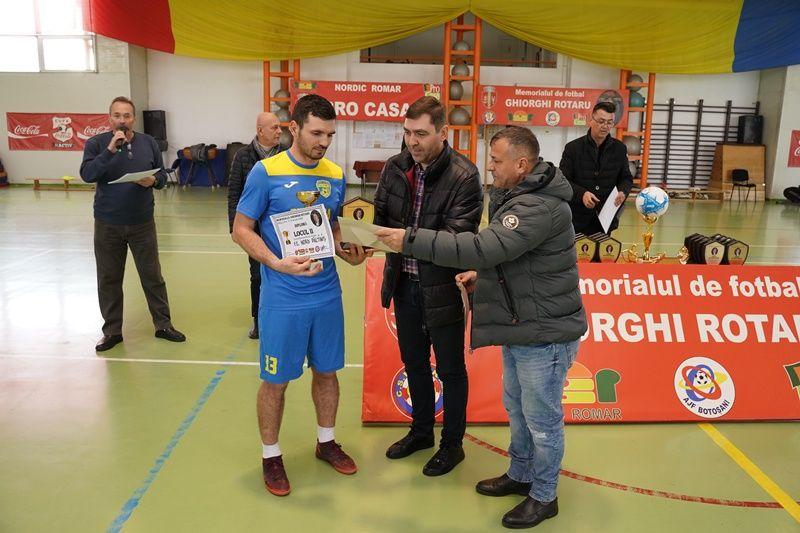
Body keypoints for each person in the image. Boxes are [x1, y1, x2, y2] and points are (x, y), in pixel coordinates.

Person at [376, 126, 587, 529]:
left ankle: (544, 495)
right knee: (518, 410)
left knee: (542, 421)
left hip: (544, 335)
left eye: (496, 160)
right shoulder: (522, 196)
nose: (490, 166)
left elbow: (482, 247)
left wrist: (410, 240)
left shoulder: (536, 206)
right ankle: (521, 474)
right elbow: (512, 258)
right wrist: (482, 276)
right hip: (524, 327)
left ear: (521, 164)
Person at [232, 94, 371, 497]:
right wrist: (275, 263)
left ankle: (326, 442)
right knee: (275, 381)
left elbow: (332, 228)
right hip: (283, 298)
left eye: (330, 134)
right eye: (316, 133)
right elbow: (241, 229)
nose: (324, 142)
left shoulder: (335, 174)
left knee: (327, 372)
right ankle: (271, 456)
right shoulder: (265, 172)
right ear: (294, 128)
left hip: (326, 295)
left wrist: (349, 252)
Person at [373, 96, 483, 476]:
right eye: (407, 132)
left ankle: (452, 445)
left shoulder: (465, 176)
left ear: (443, 132)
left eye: (421, 133)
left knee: (450, 370)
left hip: (444, 288)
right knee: (414, 363)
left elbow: (456, 238)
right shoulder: (394, 167)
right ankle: (420, 432)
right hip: (404, 284)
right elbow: (379, 220)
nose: (412, 141)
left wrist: (404, 238)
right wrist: (361, 239)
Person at [80, 96, 186, 352]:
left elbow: (162, 174)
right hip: (107, 223)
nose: (122, 120)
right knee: (109, 278)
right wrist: (110, 150)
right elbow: (87, 174)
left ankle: (163, 325)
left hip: (142, 222)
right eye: (117, 115)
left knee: (152, 276)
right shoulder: (96, 144)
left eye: (127, 116)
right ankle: (112, 331)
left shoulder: (148, 143)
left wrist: (154, 181)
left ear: (134, 119)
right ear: (110, 118)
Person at [227, 112, 284, 339]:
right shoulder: (242, 156)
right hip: (253, 229)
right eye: (275, 127)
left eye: (280, 127)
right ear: (260, 130)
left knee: (284, 272)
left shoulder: (286, 154)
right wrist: (234, 228)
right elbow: (234, 193)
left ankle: (281, 317)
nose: (280, 131)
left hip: (280, 228)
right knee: (257, 275)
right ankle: (258, 321)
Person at [559, 101, 633, 236]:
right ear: (591, 120)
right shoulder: (573, 148)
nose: (605, 126)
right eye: (601, 121)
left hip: (605, 219)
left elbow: (626, 178)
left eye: (609, 122)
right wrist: (582, 194)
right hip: (577, 218)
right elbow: (563, 181)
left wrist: (623, 191)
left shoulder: (620, 149)